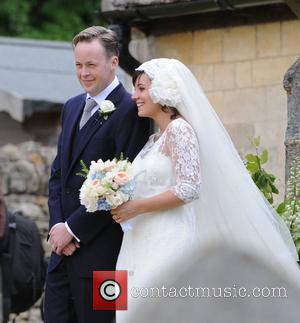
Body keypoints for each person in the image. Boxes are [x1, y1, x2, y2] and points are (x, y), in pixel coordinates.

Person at [111, 58, 300, 322]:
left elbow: (189, 188)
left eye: (142, 88)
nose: (135, 96)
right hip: (138, 239)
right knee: (130, 308)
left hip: (168, 237)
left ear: (163, 91)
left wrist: (135, 208)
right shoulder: (155, 140)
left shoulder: (180, 131)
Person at [44, 26, 150, 323]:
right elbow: (57, 177)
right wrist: (58, 229)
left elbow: (124, 185)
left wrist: (74, 229)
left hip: (107, 257)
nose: (83, 72)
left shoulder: (132, 110)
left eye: (91, 64)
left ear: (113, 62)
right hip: (61, 255)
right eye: (78, 65)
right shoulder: (71, 106)